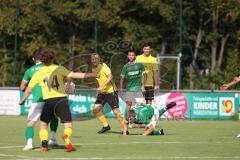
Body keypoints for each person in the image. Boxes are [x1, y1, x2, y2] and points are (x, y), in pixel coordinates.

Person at [19, 48, 98, 152]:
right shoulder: (59, 68)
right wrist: (91, 74)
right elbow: (74, 75)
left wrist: (23, 100)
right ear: (53, 59)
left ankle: (44, 145)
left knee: (43, 124)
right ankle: (65, 137)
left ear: (41, 60)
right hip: (61, 100)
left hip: (48, 101)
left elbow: (28, 89)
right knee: (68, 124)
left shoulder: (38, 73)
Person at [20, 50, 59, 151]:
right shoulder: (51, 67)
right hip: (51, 98)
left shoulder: (29, 71)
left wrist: (24, 96)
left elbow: (22, 87)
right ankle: (52, 139)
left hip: (37, 99)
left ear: (33, 59)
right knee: (53, 118)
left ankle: (29, 144)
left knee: (31, 123)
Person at [91, 53, 128, 135]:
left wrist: (102, 86)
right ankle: (106, 126)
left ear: (99, 59)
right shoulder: (93, 69)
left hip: (111, 91)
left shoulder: (104, 66)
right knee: (95, 109)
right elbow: (100, 81)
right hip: (102, 93)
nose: (94, 60)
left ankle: (125, 128)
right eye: (92, 59)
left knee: (116, 111)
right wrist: (98, 91)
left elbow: (110, 77)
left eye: (96, 59)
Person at [119, 50, 146, 128]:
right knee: (128, 105)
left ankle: (138, 121)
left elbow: (144, 76)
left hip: (138, 88)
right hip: (129, 89)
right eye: (129, 55)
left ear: (135, 56)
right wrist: (121, 88)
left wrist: (143, 86)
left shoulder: (140, 65)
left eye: (132, 55)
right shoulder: (126, 66)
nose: (131, 56)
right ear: (128, 56)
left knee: (139, 105)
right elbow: (122, 78)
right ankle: (126, 121)